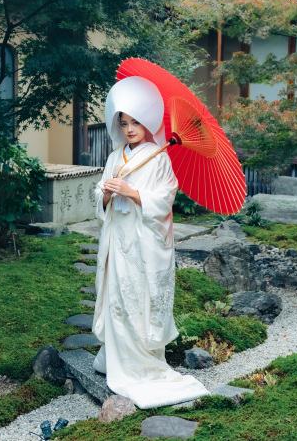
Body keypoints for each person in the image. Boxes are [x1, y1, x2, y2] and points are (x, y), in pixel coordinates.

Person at [92, 75, 210, 409]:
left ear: (147, 122)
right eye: (124, 123)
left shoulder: (158, 158)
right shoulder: (115, 157)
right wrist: (106, 194)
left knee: (138, 296)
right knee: (116, 295)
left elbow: (165, 198)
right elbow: (99, 194)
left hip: (142, 242)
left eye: (136, 122)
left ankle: (141, 361)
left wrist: (132, 192)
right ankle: (114, 356)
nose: (130, 129)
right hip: (117, 237)